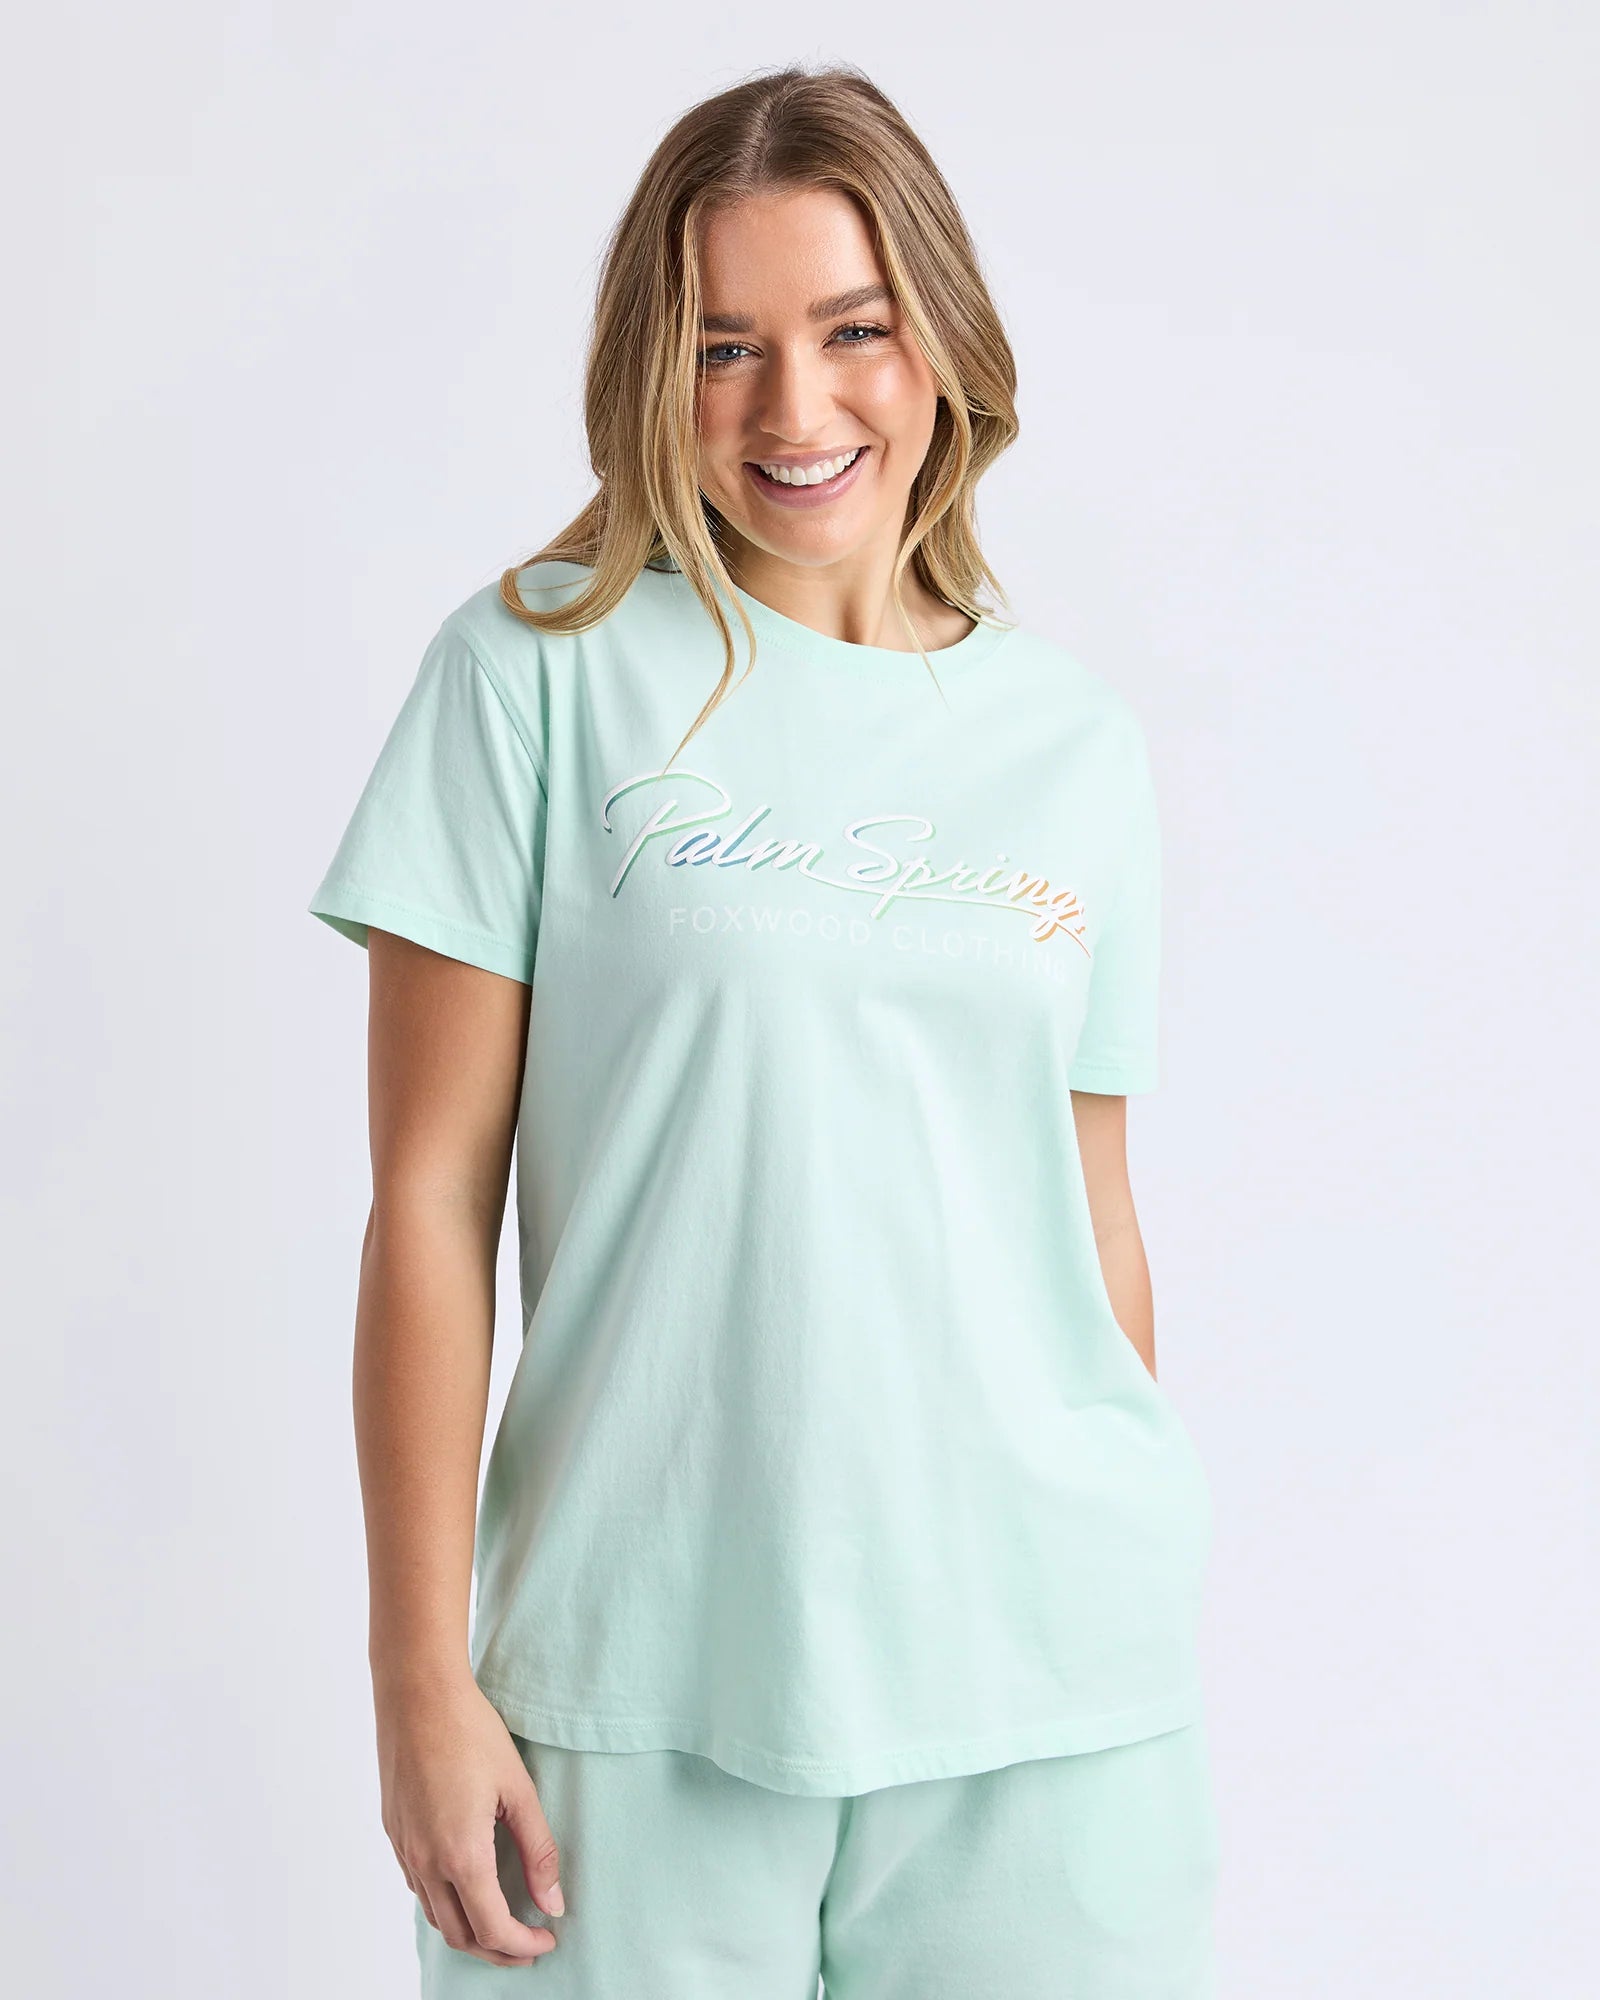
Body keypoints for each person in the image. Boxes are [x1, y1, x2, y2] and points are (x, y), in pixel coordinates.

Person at [307, 61, 1219, 2000]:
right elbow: (428, 1199)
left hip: (1049, 1693)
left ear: (941, 342)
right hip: (635, 1689)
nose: (795, 409)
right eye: (725, 347)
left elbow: (1092, 1214)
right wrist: (416, 1677)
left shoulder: (1072, 746)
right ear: (658, 371)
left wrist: (1111, 1556)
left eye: (852, 331)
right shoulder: (533, 672)